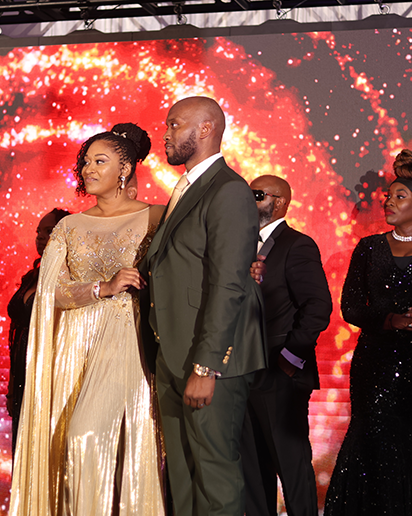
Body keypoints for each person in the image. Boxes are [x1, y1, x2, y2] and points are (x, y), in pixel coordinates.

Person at [10, 123, 165, 516]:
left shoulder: (158, 217)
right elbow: (51, 294)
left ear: (125, 168)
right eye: (85, 162)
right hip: (74, 349)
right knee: (69, 445)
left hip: (128, 344)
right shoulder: (69, 226)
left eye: (100, 161)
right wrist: (103, 287)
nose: (88, 169)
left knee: (86, 438)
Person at [141, 96, 267, 516]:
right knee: (182, 475)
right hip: (173, 354)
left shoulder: (228, 190)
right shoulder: (186, 189)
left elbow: (229, 284)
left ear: (206, 129)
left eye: (175, 124)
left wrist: (206, 367)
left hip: (209, 360)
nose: (166, 134)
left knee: (214, 478)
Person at [324, 150, 412, 515]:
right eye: (388, 195)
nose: (388, 201)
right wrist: (390, 320)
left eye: (399, 196)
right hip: (375, 365)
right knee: (374, 446)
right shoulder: (368, 248)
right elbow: (351, 307)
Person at [242, 175, 331, 516]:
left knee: (291, 466)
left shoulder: (297, 244)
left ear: (279, 202)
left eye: (257, 195)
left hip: (280, 375)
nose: (248, 199)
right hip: (242, 372)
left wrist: (290, 360)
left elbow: (318, 307)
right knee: (253, 470)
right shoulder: (239, 244)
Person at [6, 206, 70, 455]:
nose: (41, 237)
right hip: (23, 366)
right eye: (38, 232)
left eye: (49, 231)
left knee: (46, 445)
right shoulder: (31, 276)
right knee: (23, 445)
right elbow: (15, 331)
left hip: (51, 369)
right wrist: (12, 383)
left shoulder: (71, 279)